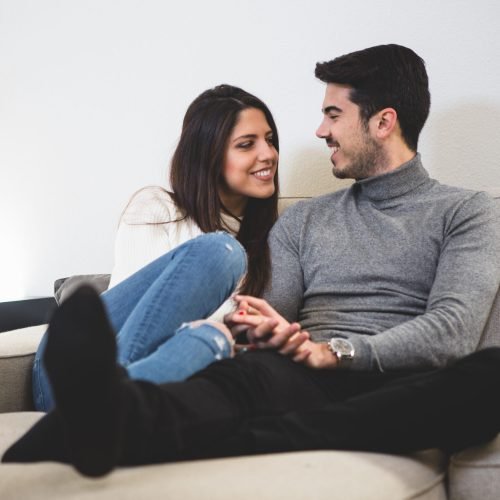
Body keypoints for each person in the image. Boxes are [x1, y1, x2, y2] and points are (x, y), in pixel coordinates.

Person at [4, 44, 500, 478]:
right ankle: (103, 417)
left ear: (383, 122)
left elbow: (451, 331)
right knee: (240, 379)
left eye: (332, 114)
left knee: (489, 376)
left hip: (401, 380)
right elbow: (267, 310)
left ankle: (137, 430)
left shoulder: (469, 211)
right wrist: (267, 330)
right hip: (303, 376)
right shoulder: (304, 220)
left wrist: (337, 352)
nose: (319, 129)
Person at [32, 84, 280, 411]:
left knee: (212, 340)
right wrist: (228, 319)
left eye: (270, 140)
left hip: (146, 388)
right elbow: (141, 323)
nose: (269, 154)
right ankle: (97, 405)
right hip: (78, 367)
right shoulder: (158, 209)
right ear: (208, 155)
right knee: (222, 253)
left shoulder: (278, 235)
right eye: (247, 144)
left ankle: (94, 418)